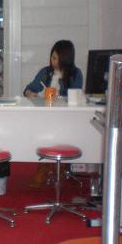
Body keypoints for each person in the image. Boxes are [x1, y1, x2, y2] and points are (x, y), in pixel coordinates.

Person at [23, 40, 84, 188]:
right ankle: (44, 168)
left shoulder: (75, 74)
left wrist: (60, 97)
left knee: (58, 133)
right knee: (43, 132)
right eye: (52, 57)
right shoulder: (45, 72)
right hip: (45, 115)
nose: (53, 61)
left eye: (56, 58)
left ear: (66, 59)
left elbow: (75, 95)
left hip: (66, 117)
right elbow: (29, 88)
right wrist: (30, 93)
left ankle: (59, 168)